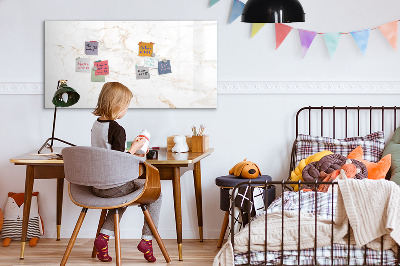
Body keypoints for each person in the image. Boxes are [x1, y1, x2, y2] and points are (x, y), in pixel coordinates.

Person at [91, 82, 161, 263]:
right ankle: (147, 240)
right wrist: (136, 148)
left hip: (97, 186)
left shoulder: (96, 125)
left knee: (121, 197)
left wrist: (131, 149)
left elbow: (108, 154)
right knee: (156, 194)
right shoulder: (117, 129)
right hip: (114, 186)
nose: (126, 110)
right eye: (126, 106)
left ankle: (103, 238)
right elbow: (119, 160)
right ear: (117, 105)